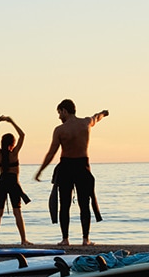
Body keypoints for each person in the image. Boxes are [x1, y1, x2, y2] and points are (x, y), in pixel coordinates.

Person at [33, 99, 109, 246]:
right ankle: (85, 239)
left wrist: (40, 170)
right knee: (84, 204)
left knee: (65, 204)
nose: (59, 117)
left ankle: (65, 239)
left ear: (64, 111)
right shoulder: (86, 123)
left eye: (59, 113)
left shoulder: (60, 130)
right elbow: (96, 117)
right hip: (82, 166)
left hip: (66, 166)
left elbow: (51, 153)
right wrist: (104, 113)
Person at [0, 115, 31, 246]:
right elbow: (22, 135)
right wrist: (12, 121)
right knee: (17, 212)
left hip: (1, 184)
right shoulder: (14, 154)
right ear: (12, 144)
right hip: (13, 184)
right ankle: (24, 240)